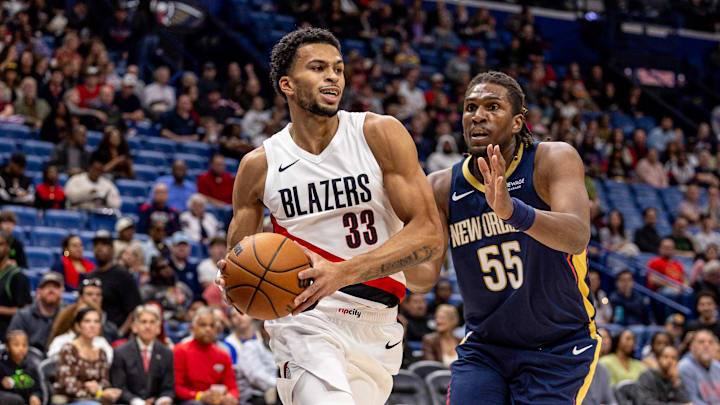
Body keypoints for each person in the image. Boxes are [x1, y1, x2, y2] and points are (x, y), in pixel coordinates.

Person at [216, 28, 443, 405]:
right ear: (287, 84)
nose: (333, 77)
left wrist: (343, 271)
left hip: (378, 324)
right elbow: (238, 258)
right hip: (304, 320)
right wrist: (235, 285)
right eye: (318, 68)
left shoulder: (378, 134)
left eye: (338, 69)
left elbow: (430, 238)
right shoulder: (259, 165)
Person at [418, 70, 598, 404]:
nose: (478, 116)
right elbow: (422, 278)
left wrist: (512, 211)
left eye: (492, 107)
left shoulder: (552, 159)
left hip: (558, 346)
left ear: (517, 123)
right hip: (486, 347)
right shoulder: (442, 186)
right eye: (470, 107)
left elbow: (576, 236)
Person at [54, 307, 123, 405]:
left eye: (96, 322)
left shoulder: (101, 352)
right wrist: (96, 392)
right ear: (78, 326)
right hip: (70, 400)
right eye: (87, 321)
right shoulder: (69, 349)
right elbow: (68, 386)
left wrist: (100, 391)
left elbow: (105, 383)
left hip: (96, 400)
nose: (92, 325)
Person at [110, 305, 174, 405]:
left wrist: (163, 400)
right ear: (134, 327)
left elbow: (168, 388)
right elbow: (119, 386)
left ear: (158, 328)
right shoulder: (120, 352)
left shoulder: (167, 353)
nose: (148, 326)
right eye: (143, 322)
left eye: (152, 322)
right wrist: (138, 402)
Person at [173, 307, 239, 405]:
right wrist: (200, 396)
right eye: (203, 325)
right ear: (192, 328)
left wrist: (230, 397)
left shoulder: (223, 354)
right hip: (191, 400)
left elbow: (232, 388)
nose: (208, 329)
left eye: (212, 326)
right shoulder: (179, 351)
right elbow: (177, 388)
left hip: (216, 401)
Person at [85, 230, 142, 337]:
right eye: (96, 245)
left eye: (104, 244)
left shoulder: (122, 275)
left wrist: (120, 334)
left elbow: (134, 309)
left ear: (112, 249)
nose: (99, 248)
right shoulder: (90, 276)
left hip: (115, 333)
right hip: (91, 333)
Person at [221, 309, 277, 405]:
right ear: (230, 321)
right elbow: (254, 377)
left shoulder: (264, 336)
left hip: (272, 388)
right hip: (248, 395)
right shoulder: (227, 346)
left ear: (251, 315)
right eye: (234, 316)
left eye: (242, 313)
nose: (239, 317)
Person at [8, 272, 64, 350]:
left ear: (62, 291)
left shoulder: (66, 317)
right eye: (46, 287)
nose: (51, 290)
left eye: (55, 287)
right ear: (38, 292)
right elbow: (12, 345)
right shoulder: (22, 316)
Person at [0, 231, 32, 340]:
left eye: (0, 244)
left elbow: (27, 311)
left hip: (7, 335)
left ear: (8, 247)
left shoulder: (17, 276)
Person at [678, 329, 720, 404]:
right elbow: (692, 400)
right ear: (692, 347)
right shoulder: (684, 367)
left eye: (711, 342)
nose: (706, 345)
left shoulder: (717, 367)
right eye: (701, 342)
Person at [0, 330, 41, 405]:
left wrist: (35, 396)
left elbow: (38, 389)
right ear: (7, 346)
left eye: (24, 345)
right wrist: (1, 383)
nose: (21, 348)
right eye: (16, 345)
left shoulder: (32, 366)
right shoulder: (2, 366)